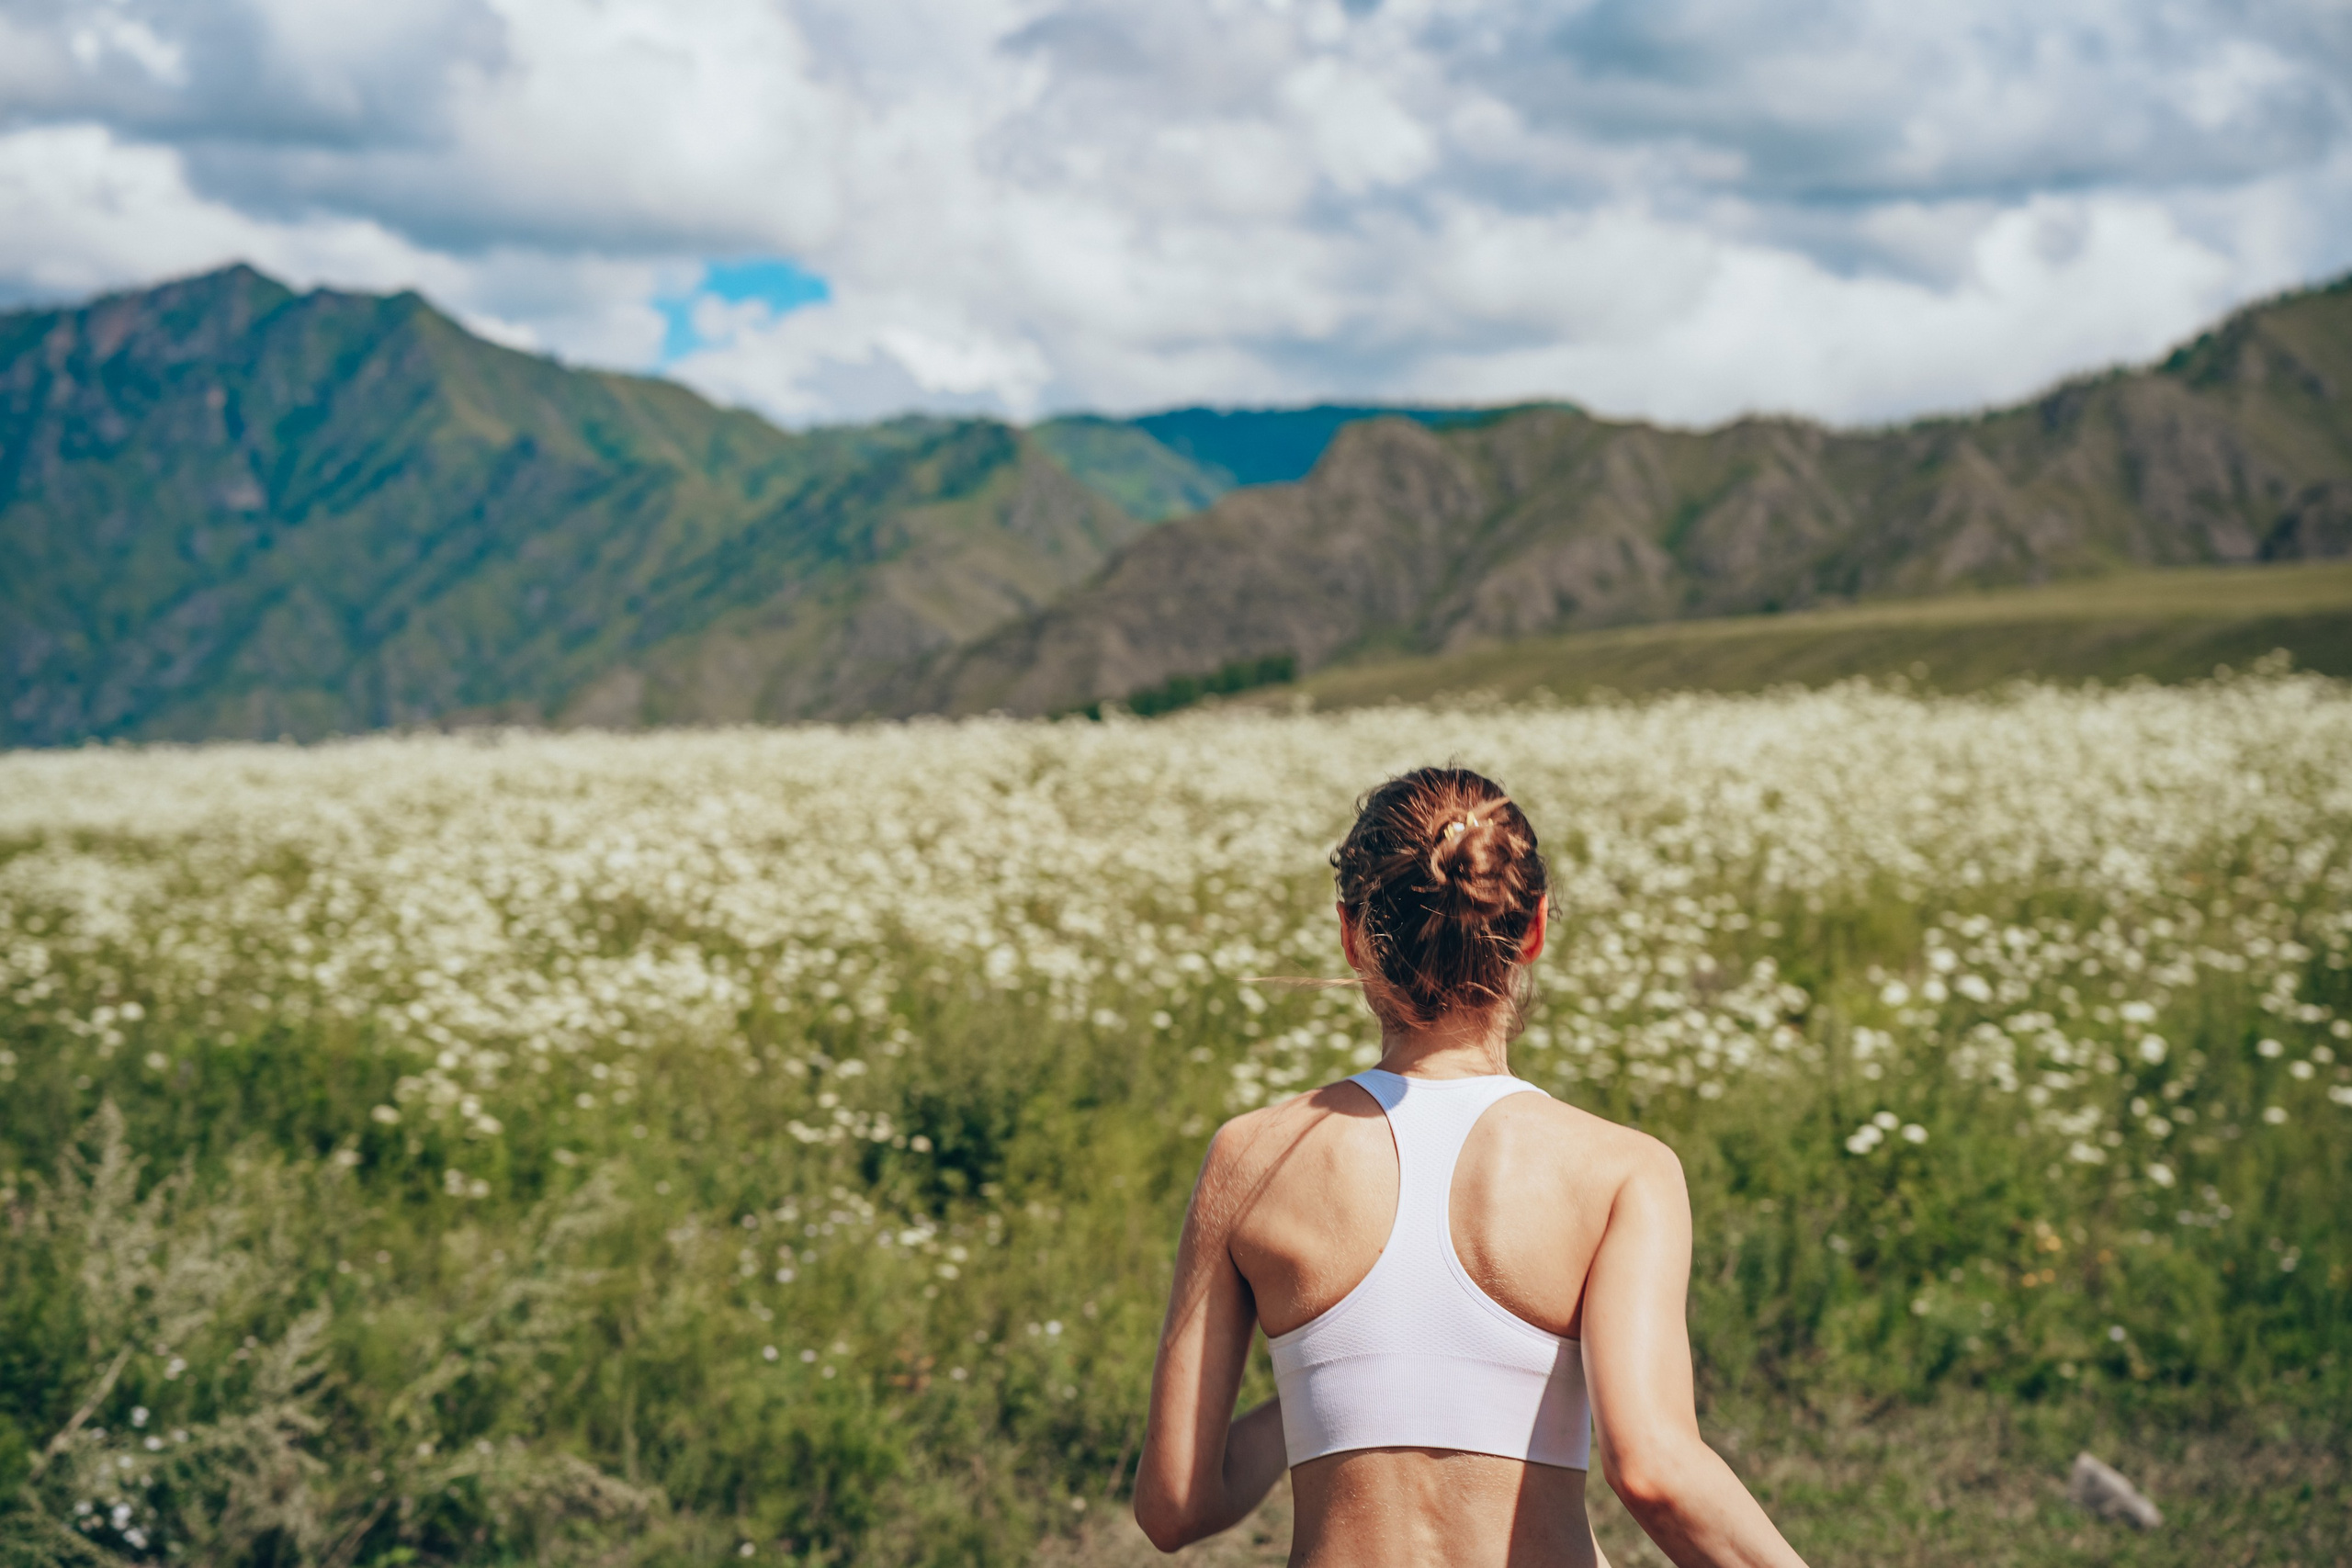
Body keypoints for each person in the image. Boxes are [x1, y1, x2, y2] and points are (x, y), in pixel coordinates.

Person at [1133, 767, 1810, 1567]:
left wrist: (1325, 1387)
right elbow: (1655, 1471)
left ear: (1352, 934)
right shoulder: (1621, 1171)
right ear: (1535, 928)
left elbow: (1174, 1505)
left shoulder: (1251, 1156)